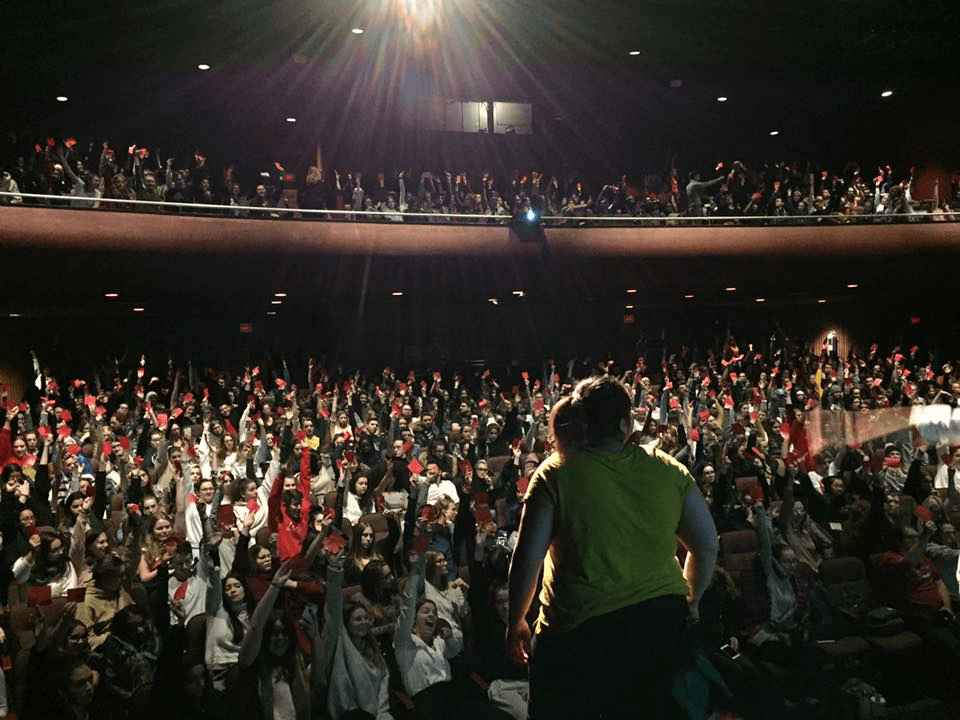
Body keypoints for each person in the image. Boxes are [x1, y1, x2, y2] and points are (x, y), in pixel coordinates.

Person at [506, 376, 718, 720]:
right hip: (660, 625)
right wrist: (692, 599)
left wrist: (516, 619)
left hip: (579, 638)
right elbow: (706, 545)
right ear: (625, 423)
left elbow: (527, 558)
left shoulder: (555, 473)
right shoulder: (665, 468)